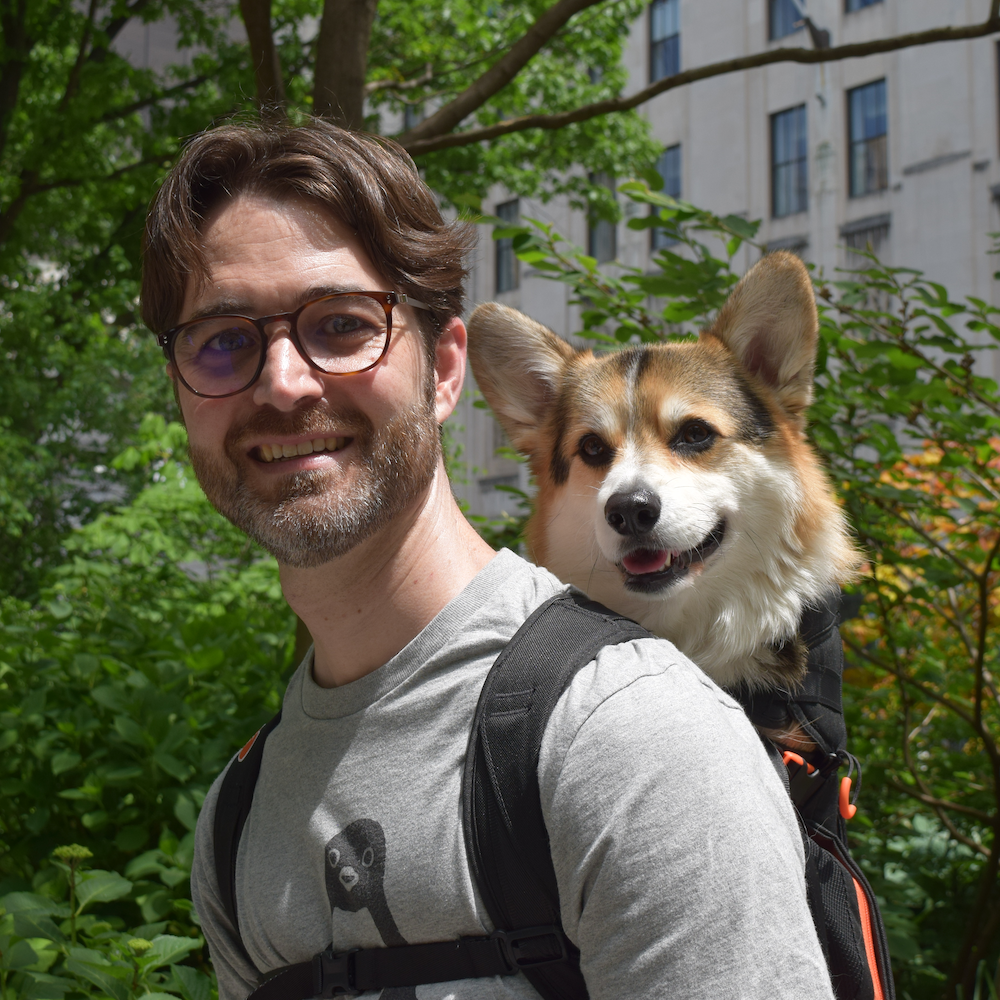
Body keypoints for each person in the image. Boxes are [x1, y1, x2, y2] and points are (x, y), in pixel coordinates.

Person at [140, 117, 835, 1000]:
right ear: (181, 390)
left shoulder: (635, 739)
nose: (283, 382)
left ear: (443, 369)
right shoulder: (236, 822)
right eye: (224, 339)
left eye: (343, 323)